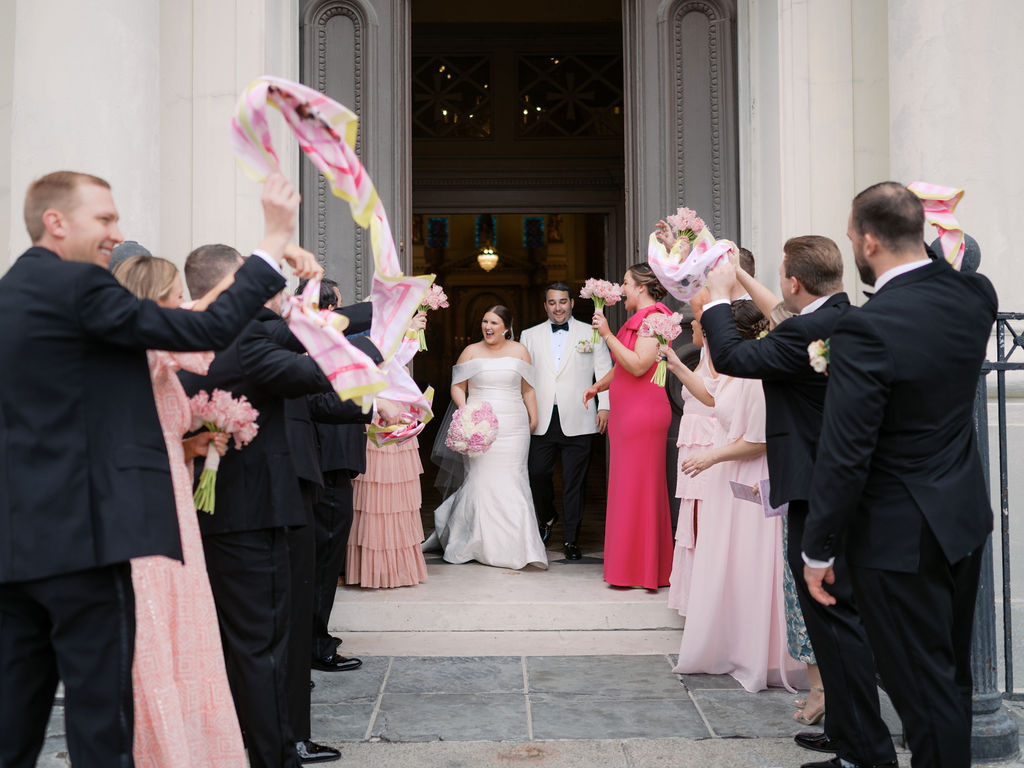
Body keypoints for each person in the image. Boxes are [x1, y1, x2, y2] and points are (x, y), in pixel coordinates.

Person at [0, 170, 315, 768]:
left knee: (14, 721)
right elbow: (206, 328)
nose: (117, 234)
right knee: (103, 721)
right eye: (105, 219)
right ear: (55, 222)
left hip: (18, 547)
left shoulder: (12, 294)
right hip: (88, 545)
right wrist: (272, 237)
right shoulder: (83, 290)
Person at [803, 182, 997, 768]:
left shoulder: (866, 329)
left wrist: (818, 550)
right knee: (947, 678)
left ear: (867, 241)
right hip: (960, 521)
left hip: (895, 538)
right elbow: (956, 268)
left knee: (920, 687)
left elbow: (846, 452)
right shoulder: (975, 297)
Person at [701, 238, 896, 767]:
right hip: (841, 488)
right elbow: (784, 317)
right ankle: (847, 732)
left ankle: (866, 752)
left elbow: (732, 356)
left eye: (783, 273)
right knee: (834, 625)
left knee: (835, 625)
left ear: (793, 280)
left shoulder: (806, 332)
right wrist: (740, 275)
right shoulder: (839, 315)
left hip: (817, 493)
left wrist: (718, 295)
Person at [178, 246, 345, 768]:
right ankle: (274, 749)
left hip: (213, 505)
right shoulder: (239, 336)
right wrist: (375, 339)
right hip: (256, 505)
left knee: (241, 641)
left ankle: (233, 741)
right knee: (264, 644)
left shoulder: (184, 341)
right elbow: (312, 368)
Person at [112, 254, 247, 767]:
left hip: (175, 506)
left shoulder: (160, 361)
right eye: (169, 297)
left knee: (185, 631)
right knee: (153, 634)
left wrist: (192, 445)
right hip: (144, 511)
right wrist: (254, 264)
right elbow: (197, 322)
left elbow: (164, 424)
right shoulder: (134, 349)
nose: (178, 306)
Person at [666, 298, 805, 692]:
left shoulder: (757, 376)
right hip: (727, 476)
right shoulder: (734, 368)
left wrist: (711, 456)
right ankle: (729, 645)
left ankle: (756, 654)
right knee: (728, 562)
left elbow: (758, 442)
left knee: (751, 562)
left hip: (752, 479)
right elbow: (712, 397)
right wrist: (676, 366)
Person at [425, 306, 547, 570]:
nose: (487, 326)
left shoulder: (520, 351)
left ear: (506, 327)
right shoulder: (470, 351)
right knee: (481, 481)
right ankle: (476, 542)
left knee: (514, 480)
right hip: (479, 426)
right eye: (484, 321)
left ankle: (519, 546)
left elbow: (528, 389)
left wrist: (533, 417)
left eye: (493, 322)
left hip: (514, 425)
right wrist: (466, 411)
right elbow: (458, 386)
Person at [585, 264, 673, 589]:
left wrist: (607, 334)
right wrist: (599, 386)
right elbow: (622, 368)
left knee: (641, 491)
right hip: (628, 416)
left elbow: (638, 365)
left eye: (625, 283)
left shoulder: (653, 320)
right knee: (628, 490)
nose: (621, 289)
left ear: (641, 287)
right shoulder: (639, 320)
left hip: (643, 416)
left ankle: (645, 570)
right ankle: (631, 567)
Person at [520, 282, 612, 560]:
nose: (558, 307)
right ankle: (547, 516)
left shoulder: (591, 332)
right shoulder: (529, 335)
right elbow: (523, 378)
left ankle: (571, 540)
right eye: (552, 303)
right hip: (540, 419)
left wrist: (605, 407)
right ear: (545, 305)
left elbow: (604, 371)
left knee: (575, 482)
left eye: (562, 302)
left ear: (572, 303)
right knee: (537, 474)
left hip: (580, 416)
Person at [348, 312, 430, 588]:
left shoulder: (395, 346)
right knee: (374, 499)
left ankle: (397, 567)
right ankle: (375, 570)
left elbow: (398, 359)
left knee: (398, 502)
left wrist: (412, 332)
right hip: (378, 422)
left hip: (400, 422)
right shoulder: (365, 343)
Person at [665, 292, 717, 615]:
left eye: (697, 319)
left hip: (706, 449)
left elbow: (711, 397)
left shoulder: (715, 355)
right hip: (694, 447)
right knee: (693, 522)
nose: (691, 322)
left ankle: (705, 601)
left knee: (702, 524)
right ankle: (695, 599)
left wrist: (674, 365)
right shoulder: (703, 353)